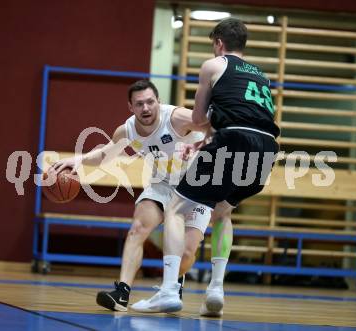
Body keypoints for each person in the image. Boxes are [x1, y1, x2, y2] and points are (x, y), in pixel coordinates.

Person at [132, 18, 280, 314]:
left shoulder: (214, 66)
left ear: (219, 43)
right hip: (267, 149)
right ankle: (216, 289)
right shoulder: (261, 76)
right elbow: (247, 118)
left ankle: (169, 290)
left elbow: (198, 120)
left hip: (234, 140)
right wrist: (204, 143)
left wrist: (207, 125)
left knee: (174, 208)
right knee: (223, 211)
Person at [52, 80, 233, 315]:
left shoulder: (176, 118)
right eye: (139, 104)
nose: (146, 108)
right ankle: (122, 292)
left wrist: (204, 145)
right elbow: (106, 155)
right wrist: (78, 160)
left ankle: (173, 283)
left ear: (158, 101)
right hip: (162, 185)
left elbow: (215, 124)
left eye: (150, 102)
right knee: (138, 227)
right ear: (131, 107)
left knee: (187, 252)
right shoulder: (127, 130)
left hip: (195, 186)